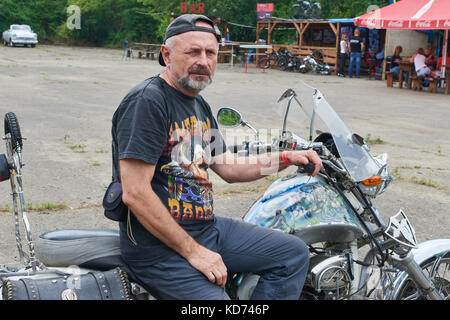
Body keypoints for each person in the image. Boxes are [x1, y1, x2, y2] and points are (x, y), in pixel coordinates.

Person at [111, 14, 322, 300]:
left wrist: (286, 158)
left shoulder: (198, 104)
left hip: (206, 229)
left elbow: (228, 166)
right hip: (159, 250)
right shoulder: (148, 102)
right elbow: (135, 193)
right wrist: (195, 253)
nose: (204, 61)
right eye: (193, 52)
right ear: (167, 54)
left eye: (211, 53)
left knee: (293, 254)